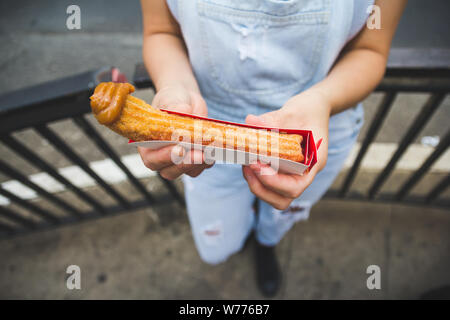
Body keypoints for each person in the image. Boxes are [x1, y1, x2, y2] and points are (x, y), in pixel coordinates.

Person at [139, 0, 407, 296]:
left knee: (282, 214)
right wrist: (177, 92)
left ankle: (266, 243)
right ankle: (244, 238)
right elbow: (161, 31)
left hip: (311, 130)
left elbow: (370, 49)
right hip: (208, 125)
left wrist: (322, 100)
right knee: (218, 238)